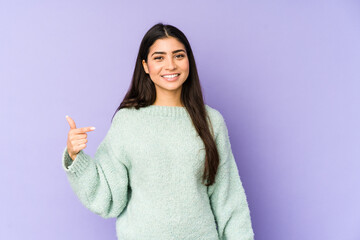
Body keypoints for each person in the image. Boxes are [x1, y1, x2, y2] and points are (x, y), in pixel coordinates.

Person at [62, 22, 255, 240]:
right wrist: (75, 156)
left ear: (188, 60)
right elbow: (108, 196)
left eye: (178, 56)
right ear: (145, 66)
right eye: (159, 57)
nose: (170, 65)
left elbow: (228, 199)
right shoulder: (127, 121)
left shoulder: (212, 121)